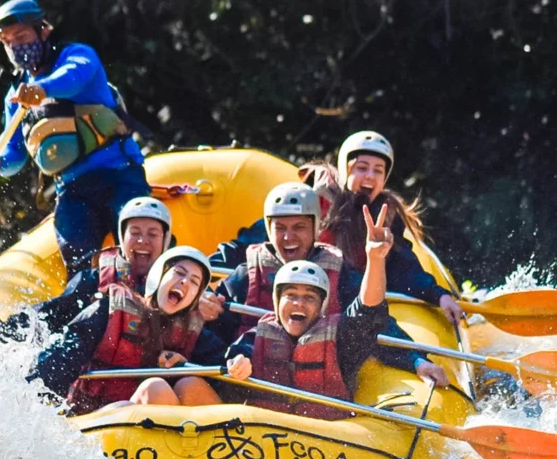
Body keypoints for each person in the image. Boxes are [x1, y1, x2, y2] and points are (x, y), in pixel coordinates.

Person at [182, 205, 424, 418]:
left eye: (309, 297)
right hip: (263, 442)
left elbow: (368, 311)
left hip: (329, 444)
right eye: (290, 296)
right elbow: (228, 355)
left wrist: (375, 259)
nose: (298, 303)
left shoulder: (341, 339)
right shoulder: (255, 337)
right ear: (276, 305)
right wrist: (238, 363)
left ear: (321, 308)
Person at [0, 0, 150, 276]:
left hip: (119, 175)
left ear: (43, 30)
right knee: (79, 268)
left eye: (21, 35)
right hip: (72, 190)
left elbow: (73, 77)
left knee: (141, 253)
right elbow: (14, 154)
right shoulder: (15, 96)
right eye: (7, 41)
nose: (15, 46)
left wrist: (42, 89)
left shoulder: (78, 55)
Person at [206, 182, 447, 385]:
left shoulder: (338, 271)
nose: (288, 237)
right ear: (268, 229)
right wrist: (204, 303)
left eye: (299, 227)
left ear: (316, 228)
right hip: (258, 384)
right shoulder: (245, 274)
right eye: (280, 228)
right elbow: (211, 329)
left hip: (322, 390)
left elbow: (372, 321)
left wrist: (416, 360)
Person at [28, 247, 228, 412]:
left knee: (190, 384)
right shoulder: (108, 311)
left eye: (194, 282)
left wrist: (185, 366)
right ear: (158, 276)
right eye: (179, 273)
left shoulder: (194, 334)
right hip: (94, 419)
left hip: (148, 432)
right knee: (155, 389)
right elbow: (58, 363)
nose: (185, 282)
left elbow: (222, 371)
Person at [0, 196, 172, 342]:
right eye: (135, 232)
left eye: (152, 234)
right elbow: (46, 315)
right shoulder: (94, 280)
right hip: (101, 378)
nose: (142, 240)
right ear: (122, 239)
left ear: (165, 241)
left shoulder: (182, 284)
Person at [318, 131, 465, 324]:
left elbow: (403, 269)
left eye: (378, 170)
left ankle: (413, 355)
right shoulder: (317, 202)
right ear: (346, 170)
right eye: (362, 168)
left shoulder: (386, 216)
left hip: (353, 306)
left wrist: (439, 296)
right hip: (311, 293)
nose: (370, 176)